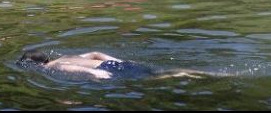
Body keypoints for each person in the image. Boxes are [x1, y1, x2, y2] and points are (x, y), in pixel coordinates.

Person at [17, 50, 205, 80]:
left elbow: (71, 69)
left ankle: (179, 75)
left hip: (107, 70)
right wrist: (116, 60)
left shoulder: (51, 67)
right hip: (112, 63)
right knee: (158, 72)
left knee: (152, 78)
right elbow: (94, 52)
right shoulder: (67, 55)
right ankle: (188, 71)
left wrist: (99, 75)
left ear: (37, 65)